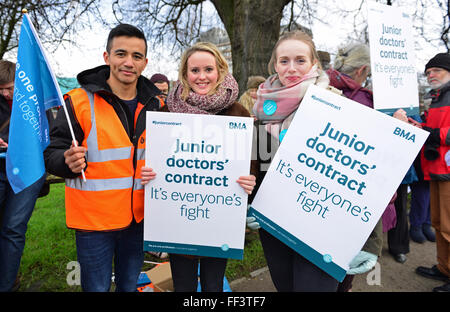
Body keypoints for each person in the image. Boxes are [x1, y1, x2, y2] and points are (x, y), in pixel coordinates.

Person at [247, 31, 378, 292]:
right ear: (275, 65)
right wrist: (248, 204)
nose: (291, 68)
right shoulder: (261, 111)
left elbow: (364, 176)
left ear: (314, 64)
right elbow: (257, 167)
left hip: (324, 229)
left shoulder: (338, 107)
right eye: (284, 61)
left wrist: (371, 243)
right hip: (275, 229)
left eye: (300, 60)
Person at [43, 24, 163, 292]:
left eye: (136, 56)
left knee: (129, 287)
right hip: (94, 223)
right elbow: (51, 151)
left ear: (145, 63)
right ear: (106, 57)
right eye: (121, 54)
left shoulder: (157, 105)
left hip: (138, 218)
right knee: (96, 288)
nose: (128, 62)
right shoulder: (76, 101)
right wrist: (66, 161)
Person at [141, 41, 257, 292]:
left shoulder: (237, 113)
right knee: (183, 286)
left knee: (213, 285)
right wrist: (149, 173)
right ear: (184, 74)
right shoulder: (168, 113)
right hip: (179, 215)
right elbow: (156, 158)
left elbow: (251, 164)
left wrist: (250, 179)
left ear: (220, 71)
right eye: (194, 71)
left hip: (219, 217)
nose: (202, 77)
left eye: (208, 69)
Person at [326, 43, 397, 291]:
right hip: (354, 198)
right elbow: (382, 156)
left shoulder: (320, 91)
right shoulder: (368, 103)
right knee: (345, 267)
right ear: (363, 69)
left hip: (319, 192)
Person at [0, 60, 47, 292]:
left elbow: (47, 133)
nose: (5, 93)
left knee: (13, 228)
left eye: (9, 88)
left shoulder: (34, 100)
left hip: (27, 172)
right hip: (1, 169)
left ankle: (7, 284)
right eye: (1, 89)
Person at [414, 52, 450, 292]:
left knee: (449, 225)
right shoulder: (436, 97)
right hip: (437, 168)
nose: (431, 75)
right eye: (428, 72)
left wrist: (432, 134)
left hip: (448, 169)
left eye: (435, 70)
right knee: (438, 222)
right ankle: (444, 267)